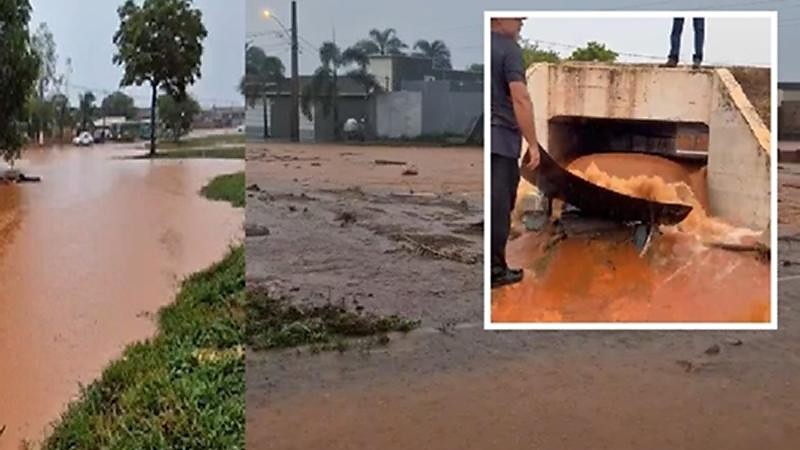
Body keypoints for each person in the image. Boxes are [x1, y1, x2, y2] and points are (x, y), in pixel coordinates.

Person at [490, 17, 540, 289]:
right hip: (501, 139)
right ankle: (495, 272)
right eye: (517, 16)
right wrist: (532, 144)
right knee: (500, 206)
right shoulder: (508, 49)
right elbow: (520, 97)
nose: (522, 20)